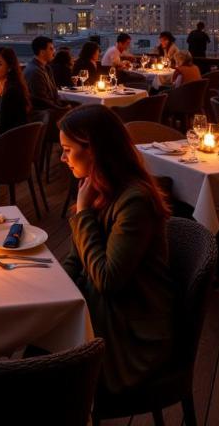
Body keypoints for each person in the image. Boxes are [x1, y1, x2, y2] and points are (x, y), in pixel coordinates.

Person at [59, 105, 173, 394]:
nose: (62, 158)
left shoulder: (134, 201)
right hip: (103, 312)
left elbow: (108, 280)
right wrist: (51, 288)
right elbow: (77, 257)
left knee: (40, 367)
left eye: (68, 150)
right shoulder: (96, 186)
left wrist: (83, 214)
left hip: (130, 338)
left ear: (94, 150)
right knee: (38, 346)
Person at [23, 35, 65, 110]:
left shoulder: (46, 68)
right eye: (51, 49)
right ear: (42, 52)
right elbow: (42, 101)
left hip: (52, 109)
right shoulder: (35, 72)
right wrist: (62, 109)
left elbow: (53, 94)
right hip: (46, 113)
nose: (54, 51)